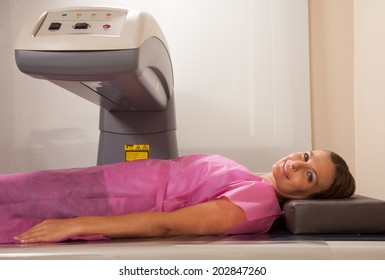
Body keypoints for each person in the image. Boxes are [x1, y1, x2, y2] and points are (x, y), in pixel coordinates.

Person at [0, 150, 355, 244]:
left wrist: (74, 224)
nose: (295, 164)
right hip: (102, 184)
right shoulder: (253, 180)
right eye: (306, 156)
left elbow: (168, 226)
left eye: (309, 176)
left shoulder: (259, 202)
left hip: (105, 201)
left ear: (311, 198)